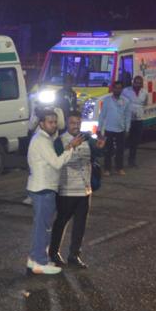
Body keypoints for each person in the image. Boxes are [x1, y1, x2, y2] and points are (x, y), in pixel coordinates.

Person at [26, 109, 83, 275]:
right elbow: (57, 163)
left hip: (42, 187)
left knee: (41, 226)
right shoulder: (42, 140)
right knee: (42, 227)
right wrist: (71, 148)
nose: (53, 125)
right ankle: (40, 263)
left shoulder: (43, 139)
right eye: (50, 122)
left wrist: (67, 148)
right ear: (42, 123)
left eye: (55, 122)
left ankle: (34, 260)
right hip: (43, 189)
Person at [49, 114, 105, 269]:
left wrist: (101, 145)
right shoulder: (60, 141)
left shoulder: (87, 139)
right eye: (73, 123)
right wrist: (71, 146)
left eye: (78, 123)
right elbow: (56, 160)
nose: (76, 126)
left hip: (85, 190)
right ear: (67, 123)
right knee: (61, 222)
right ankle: (53, 253)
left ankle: (74, 255)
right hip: (66, 190)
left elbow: (100, 153)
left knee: (80, 224)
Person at [98, 81, 130, 176]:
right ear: (113, 89)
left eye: (119, 88)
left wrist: (127, 129)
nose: (117, 90)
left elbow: (127, 116)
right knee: (108, 151)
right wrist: (99, 129)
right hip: (108, 129)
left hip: (120, 129)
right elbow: (102, 115)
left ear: (122, 89)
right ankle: (107, 169)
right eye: (116, 88)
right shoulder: (107, 100)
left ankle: (119, 168)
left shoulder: (126, 101)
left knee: (120, 151)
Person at [122, 75, 148, 168]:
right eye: (136, 82)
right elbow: (122, 104)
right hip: (128, 120)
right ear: (132, 82)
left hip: (139, 120)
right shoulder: (126, 91)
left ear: (142, 84)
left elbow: (145, 103)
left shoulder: (144, 92)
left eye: (139, 83)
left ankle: (131, 161)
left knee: (135, 142)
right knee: (124, 141)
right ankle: (119, 162)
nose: (138, 84)